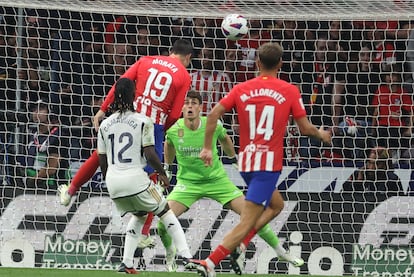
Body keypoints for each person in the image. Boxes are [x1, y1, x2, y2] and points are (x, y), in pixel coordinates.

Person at [192, 42, 332, 277]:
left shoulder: (242, 88)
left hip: (247, 161)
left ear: (257, 62)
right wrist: (322, 134)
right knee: (247, 221)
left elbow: (214, 113)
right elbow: (306, 129)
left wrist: (207, 147)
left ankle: (244, 243)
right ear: (281, 64)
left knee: (277, 205)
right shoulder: (289, 90)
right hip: (267, 165)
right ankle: (210, 262)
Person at [58, 39, 193, 259]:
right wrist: (159, 129)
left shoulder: (145, 60)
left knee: (102, 153)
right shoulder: (184, 75)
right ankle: (144, 232)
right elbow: (176, 114)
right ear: (187, 58)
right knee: (153, 180)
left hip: (129, 118)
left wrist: (103, 109)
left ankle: (70, 190)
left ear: (170, 52)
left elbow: (121, 82)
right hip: (153, 123)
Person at [158, 90, 304, 273]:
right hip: (187, 184)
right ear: (182, 107)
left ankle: (281, 252)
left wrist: (234, 159)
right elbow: (168, 145)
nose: (190, 106)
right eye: (186, 103)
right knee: (162, 222)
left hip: (217, 181)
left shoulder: (212, 125)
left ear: (200, 107)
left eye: (194, 103)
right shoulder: (173, 129)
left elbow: (225, 139)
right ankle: (169, 251)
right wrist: (168, 168)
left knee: (253, 216)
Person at [93, 77, 193, 274]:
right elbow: (149, 153)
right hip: (135, 180)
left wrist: (110, 181)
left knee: (139, 215)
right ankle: (187, 256)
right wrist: (162, 173)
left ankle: (127, 262)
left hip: (113, 183)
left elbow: (102, 160)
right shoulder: (142, 121)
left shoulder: (104, 125)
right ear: (134, 95)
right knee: (165, 211)